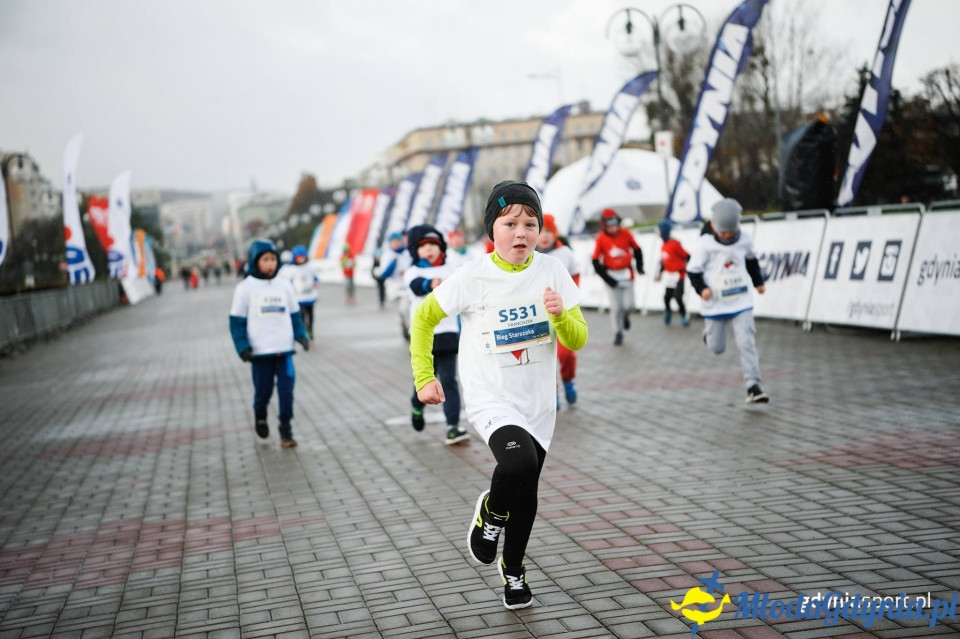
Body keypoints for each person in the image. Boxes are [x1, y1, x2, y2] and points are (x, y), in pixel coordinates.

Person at [410, 181, 588, 610]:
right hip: (491, 397)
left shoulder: (553, 272)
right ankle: (490, 512)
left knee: (527, 493)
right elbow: (423, 317)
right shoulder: (472, 276)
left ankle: (513, 572)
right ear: (493, 228)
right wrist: (423, 377)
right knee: (518, 462)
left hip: (539, 404)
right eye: (510, 223)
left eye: (530, 223)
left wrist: (561, 316)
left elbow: (578, 339)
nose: (521, 232)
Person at [687, 198, 770, 404]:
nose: (726, 236)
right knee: (717, 348)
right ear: (714, 227)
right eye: (722, 232)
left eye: (730, 232)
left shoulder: (745, 240)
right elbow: (693, 271)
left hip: (741, 300)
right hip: (715, 303)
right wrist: (702, 289)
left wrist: (758, 282)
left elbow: (751, 261)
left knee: (747, 342)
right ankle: (709, 335)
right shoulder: (705, 244)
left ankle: (753, 386)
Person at [229, 239, 311, 447]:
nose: (270, 263)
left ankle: (286, 429)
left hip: (284, 350)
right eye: (265, 259)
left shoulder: (284, 286)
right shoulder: (245, 289)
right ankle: (260, 414)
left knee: (286, 391)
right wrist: (242, 347)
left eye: (273, 259)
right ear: (255, 262)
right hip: (260, 352)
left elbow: (295, 315)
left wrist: (301, 335)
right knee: (263, 391)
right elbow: (237, 322)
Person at [404, 224, 469, 445]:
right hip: (425, 336)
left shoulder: (449, 270)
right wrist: (429, 284)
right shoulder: (414, 271)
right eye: (424, 246)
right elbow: (416, 286)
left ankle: (452, 426)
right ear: (416, 250)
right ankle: (416, 404)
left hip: (448, 333)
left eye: (433, 245)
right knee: (425, 379)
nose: (429, 250)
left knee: (449, 380)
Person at [536, 214, 580, 406]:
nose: (544, 236)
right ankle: (551, 392)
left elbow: (575, 278)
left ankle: (568, 380)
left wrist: (569, 301)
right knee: (544, 356)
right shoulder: (528, 255)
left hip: (563, 312)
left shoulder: (566, 254)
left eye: (549, 231)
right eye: (540, 231)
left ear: (555, 233)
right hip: (538, 315)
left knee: (565, 354)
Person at [591, 208, 644, 346]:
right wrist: (607, 278)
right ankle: (618, 332)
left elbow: (637, 250)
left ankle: (626, 316)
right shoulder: (601, 238)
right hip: (611, 276)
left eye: (615, 224)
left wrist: (640, 267)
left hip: (626, 274)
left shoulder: (626, 234)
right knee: (616, 307)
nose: (613, 227)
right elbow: (595, 261)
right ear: (604, 225)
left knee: (630, 305)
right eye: (610, 225)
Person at [655, 219, 691, 327]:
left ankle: (684, 316)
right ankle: (668, 313)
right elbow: (663, 261)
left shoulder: (675, 244)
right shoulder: (663, 245)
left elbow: (687, 256)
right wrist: (659, 273)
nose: (656, 233)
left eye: (657, 230)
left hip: (679, 275)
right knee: (666, 297)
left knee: (678, 297)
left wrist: (693, 270)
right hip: (669, 276)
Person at [279, 244, 319, 338]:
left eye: (303, 257)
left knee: (311, 314)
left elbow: (315, 277)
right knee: (302, 315)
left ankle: (310, 330)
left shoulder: (310, 267)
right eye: (299, 258)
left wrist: (315, 282)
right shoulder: (292, 269)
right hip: (299, 297)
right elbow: (286, 280)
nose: (301, 259)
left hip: (309, 295)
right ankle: (304, 330)